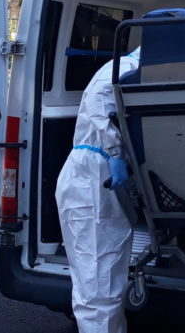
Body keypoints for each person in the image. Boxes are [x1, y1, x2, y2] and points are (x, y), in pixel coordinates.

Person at [55, 47, 140, 333]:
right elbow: (98, 104)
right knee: (96, 284)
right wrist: (115, 151)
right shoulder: (121, 69)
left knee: (108, 279)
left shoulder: (131, 71)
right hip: (89, 181)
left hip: (99, 180)